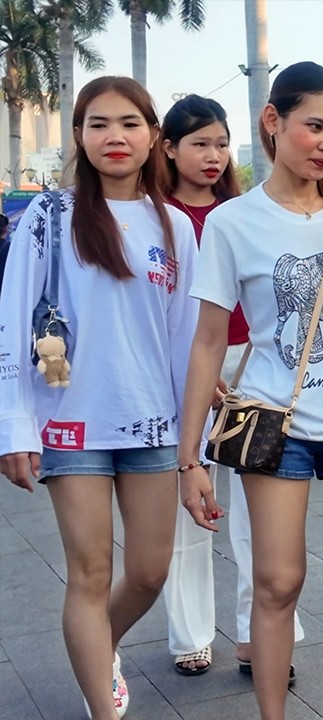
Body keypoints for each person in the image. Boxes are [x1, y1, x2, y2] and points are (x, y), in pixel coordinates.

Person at [176, 62, 323, 720]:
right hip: (276, 424)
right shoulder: (233, 223)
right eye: (315, 126)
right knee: (277, 584)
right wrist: (190, 460)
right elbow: (207, 342)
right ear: (273, 122)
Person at [0, 76, 200, 720]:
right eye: (98, 124)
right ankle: (101, 704)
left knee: (149, 573)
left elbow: (185, 338)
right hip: (70, 422)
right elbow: (12, 319)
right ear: (80, 136)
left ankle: (95, 647)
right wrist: (14, 426)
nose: (115, 136)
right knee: (88, 573)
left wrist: (192, 446)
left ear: (155, 138)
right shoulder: (50, 216)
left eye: (130, 124)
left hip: (151, 423)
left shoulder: (174, 225)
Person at [158, 95, 306, 679]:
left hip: (254, 369)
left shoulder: (247, 212)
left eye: (221, 143)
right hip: (185, 370)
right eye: (199, 144)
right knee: (189, 503)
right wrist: (192, 366)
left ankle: (258, 635)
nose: (213, 155)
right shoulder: (155, 217)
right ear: (169, 149)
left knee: (259, 510)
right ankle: (191, 636)